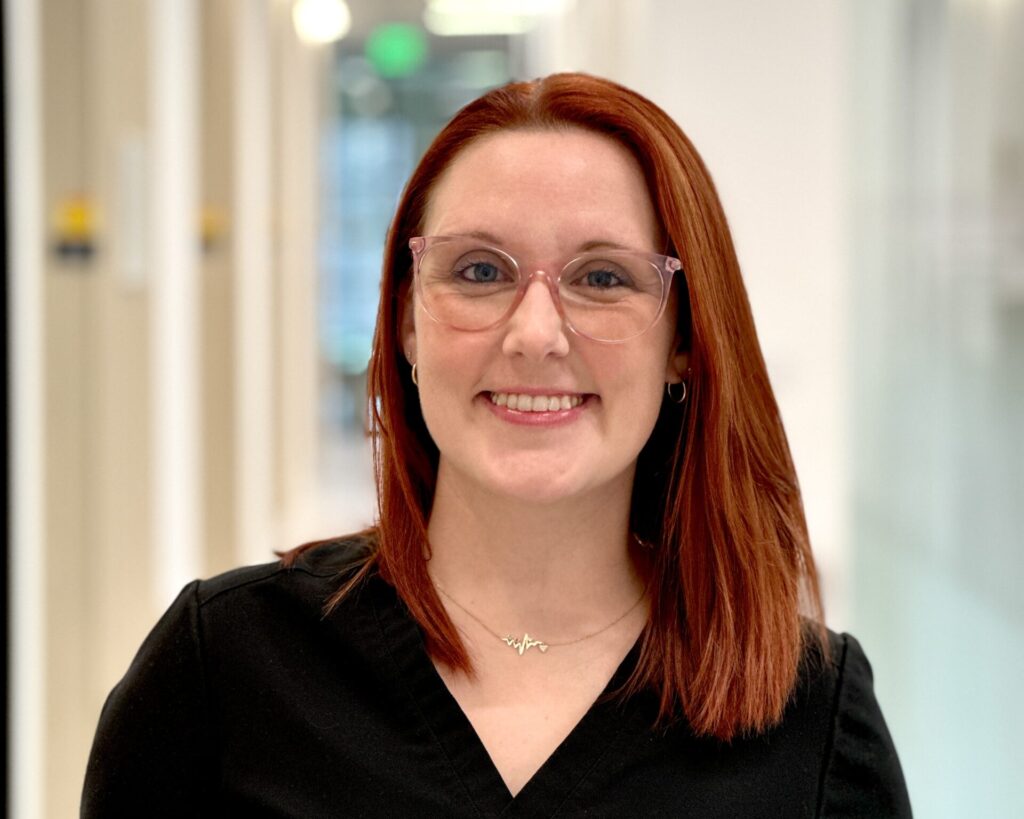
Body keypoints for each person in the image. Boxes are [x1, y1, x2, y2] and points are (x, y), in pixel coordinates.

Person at [83, 73, 911, 817]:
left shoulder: (812, 721)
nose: (535, 334)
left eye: (602, 278)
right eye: (480, 271)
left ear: (685, 342)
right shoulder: (225, 670)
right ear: (407, 321)